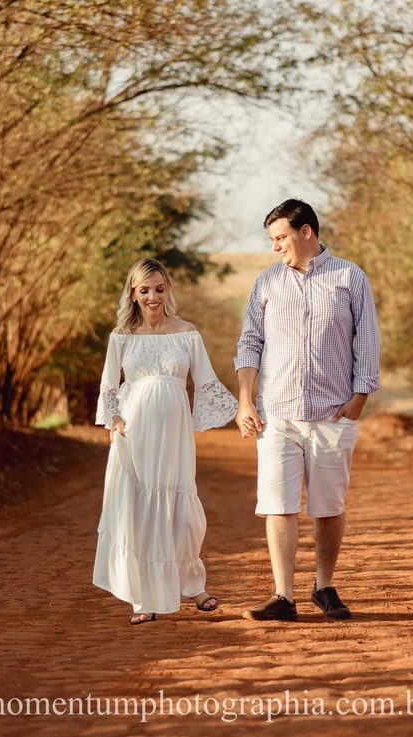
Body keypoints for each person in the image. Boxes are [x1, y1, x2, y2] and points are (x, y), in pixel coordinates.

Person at [234, 199, 380, 622]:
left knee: (328, 507)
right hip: (277, 413)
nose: (275, 246)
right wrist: (246, 398)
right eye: (272, 240)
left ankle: (324, 586)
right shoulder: (266, 283)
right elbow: (249, 343)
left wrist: (357, 402)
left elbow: (367, 344)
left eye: (280, 237)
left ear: (306, 233)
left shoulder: (350, 277)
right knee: (278, 504)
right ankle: (283, 597)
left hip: (333, 413)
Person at [93, 258, 239, 624]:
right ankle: (143, 598)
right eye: (145, 290)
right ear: (133, 293)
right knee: (139, 507)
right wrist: (114, 418)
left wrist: (241, 412)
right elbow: (110, 384)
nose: (153, 297)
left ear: (168, 289)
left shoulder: (187, 332)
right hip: (134, 431)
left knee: (181, 507)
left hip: (174, 432)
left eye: (159, 289)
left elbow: (206, 381)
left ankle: (193, 584)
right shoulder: (121, 336)